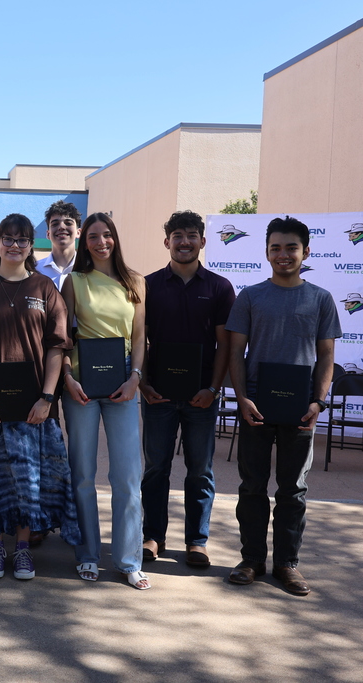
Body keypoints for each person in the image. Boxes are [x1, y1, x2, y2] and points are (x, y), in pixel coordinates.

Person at [0, 213, 78, 581]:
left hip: (33, 406)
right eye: (7, 239)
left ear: (30, 245)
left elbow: (57, 346)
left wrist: (46, 397)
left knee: (29, 480)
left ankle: (22, 550)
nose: (14, 245)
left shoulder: (45, 289)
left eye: (22, 239)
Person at [226, 216, 340, 596]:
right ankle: (252, 560)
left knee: (293, 491)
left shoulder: (320, 299)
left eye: (291, 247)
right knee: (252, 487)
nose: (283, 254)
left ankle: (287, 565)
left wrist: (317, 402)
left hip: (300, 411)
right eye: (275, 247)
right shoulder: (250, 296)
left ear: (306, 251)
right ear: (266, 252)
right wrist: (242, 398)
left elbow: (326, 357)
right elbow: (235, 353)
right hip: (256, 408)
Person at [139, 211, 235, 569]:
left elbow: (226, 346)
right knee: (155, 470)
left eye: (191, 235)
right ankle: (153, 536)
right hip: (158, 396)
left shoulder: (219, 288)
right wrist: (144, 383)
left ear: (202, 241)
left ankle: (197, 541)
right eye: (177, 235)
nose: (184, 242)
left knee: (200, 471)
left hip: (201, 397)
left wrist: (213, 388)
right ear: (166, 242)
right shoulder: (147, 285)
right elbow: (140, 342)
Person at [61, 212, 150, 590]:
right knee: (82, 474)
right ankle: (88, 554)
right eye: (94, 236)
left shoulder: (136, 283)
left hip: (124, 385)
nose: (101, 242)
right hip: (81, 386)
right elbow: (62, 337)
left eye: (107, 235)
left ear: (115, 238)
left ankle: (129, 560)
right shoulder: (74, 282)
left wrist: (136, 378)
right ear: (85, 241)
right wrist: (66, 377)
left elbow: (141, 336)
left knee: (128, 476)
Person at [35, 200, 81, 290]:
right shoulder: (35, 270)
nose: (61, 227)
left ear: (78, 232)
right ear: (48, 234)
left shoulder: (87, 269)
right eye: (55, 224)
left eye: (68, 223)